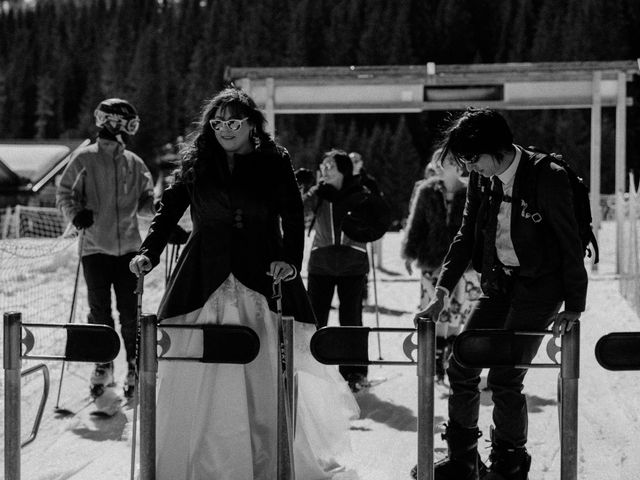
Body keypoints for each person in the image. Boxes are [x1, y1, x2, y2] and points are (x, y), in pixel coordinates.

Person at [129, 88, 358, 480]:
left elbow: (290, 211)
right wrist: (148, 252)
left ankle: (265, 463)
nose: (225, 130)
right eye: (218, 123)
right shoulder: (197, 161)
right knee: (198, 368)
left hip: (261, 272)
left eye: (234, 122)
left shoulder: (273, 160)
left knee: (261, 370)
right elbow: (169, 210)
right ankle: (197, 462)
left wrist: (289, 259)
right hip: (203, 274)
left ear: (252, 123)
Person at [413, 108, 588, 480]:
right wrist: (443, 290)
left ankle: (509, 462)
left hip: (541, 287)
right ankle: (462, 458)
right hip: (498, 283)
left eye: (473, 159)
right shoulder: (483, 179)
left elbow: (570, 244)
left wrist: (573, 306)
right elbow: (465, 236)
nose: (469, 169)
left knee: (506, 374)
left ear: (497, 148)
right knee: (460, 362)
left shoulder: (548, 178)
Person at [56, 98, 155, 401]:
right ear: (111, 122)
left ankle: (134, 365)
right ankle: (103, 364)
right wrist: (76, 214)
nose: (129, 129)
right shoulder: (84, 159)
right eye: (126, 122)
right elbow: (64, 192)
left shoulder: (134, 163)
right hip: (95, 248)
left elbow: (148, 200)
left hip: (128, 251)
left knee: (130, 313)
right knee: (99, 312)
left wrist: (163, 216)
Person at [401, 149, 481, 382]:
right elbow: (416, 224)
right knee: (435, 312)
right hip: (431, 259)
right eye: (442, 160)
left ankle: (453, 358)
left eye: (451, 161)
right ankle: (435, 360)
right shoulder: (427, 190)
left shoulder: (470, 191)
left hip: (463, 265)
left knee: (457, 313)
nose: (445, 165)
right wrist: (409, 253)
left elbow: (478, 228)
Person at [305, 149, 373, 392]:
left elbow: (373, 219)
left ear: (343, 169)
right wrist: (306, 190)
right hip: (321, 263)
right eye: (323, 165)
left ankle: (354, 371)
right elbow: (300, 212)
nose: (326, 168)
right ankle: (311, 365)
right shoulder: (318, 193)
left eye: (331, 165)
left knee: (351, 320)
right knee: (316, 318)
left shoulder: (359, 192)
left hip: (352, 264)